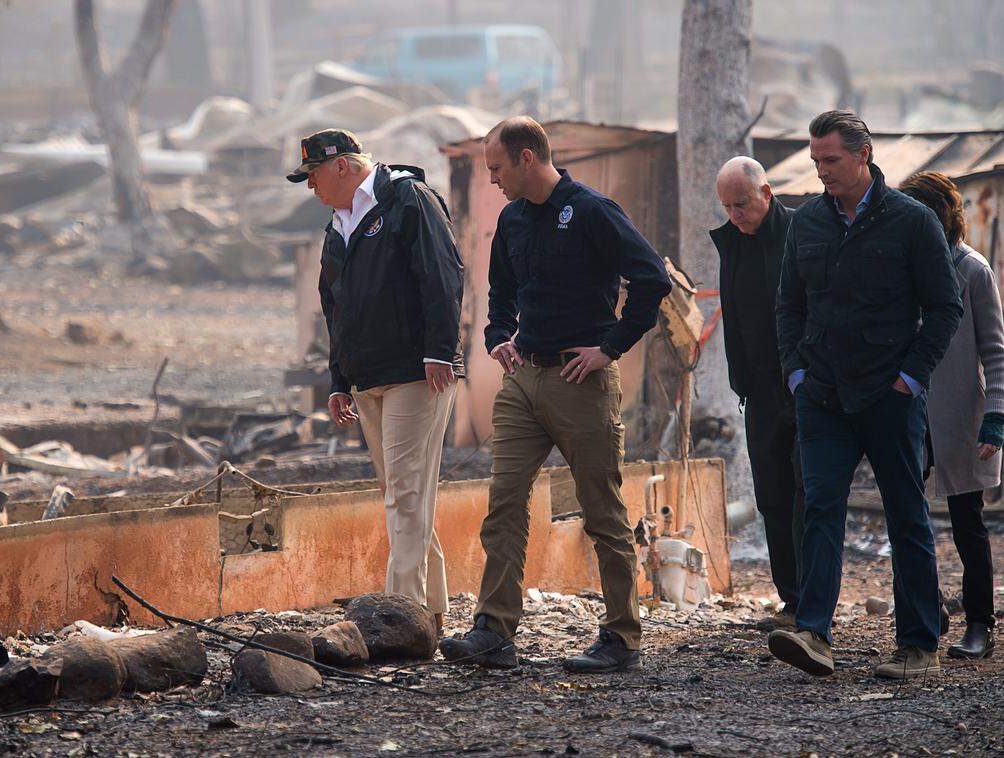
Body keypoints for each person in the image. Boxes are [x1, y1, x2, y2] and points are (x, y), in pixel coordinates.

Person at [438, 117, 672, 672]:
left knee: (602, 511)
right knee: (504, 505)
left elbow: (652, 281)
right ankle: (493, 631)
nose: (491, 179)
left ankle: (621, 636)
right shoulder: (513, 219)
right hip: (524, 382)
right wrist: (498, 336)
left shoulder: (592, 211)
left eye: (496, 168)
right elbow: (500, 291)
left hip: (580, 380)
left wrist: (609, 348)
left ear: (526, 158)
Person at [770, 110, 962, 680]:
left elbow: (945, 307)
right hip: (822, 394)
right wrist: (796, 374)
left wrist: (911, 378)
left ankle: (917, 645)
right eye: (816, 162)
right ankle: (813, 635)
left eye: (831, 161)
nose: (822, 171)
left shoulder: (912, 222)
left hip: (889, 396)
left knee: (906, 515)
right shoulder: (806, 223)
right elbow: (788, 307)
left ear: (863, 155)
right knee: (822, 509)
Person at [289, 129, 465, 629]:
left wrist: (439, 351)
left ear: (342, 166)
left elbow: (443, 275)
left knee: (405, 494)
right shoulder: (337, 225)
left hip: (417, 371)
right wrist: (339, 379)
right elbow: (334, 307)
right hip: (368, 376)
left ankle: (396, 616)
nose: (311, 187)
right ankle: (428, 611)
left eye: (314, 175)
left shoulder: (407, 199)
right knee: (403, 492)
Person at [901, 171, 1002, 660]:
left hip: (960, 411)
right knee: (905, 513)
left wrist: (997, 417)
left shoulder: (973, 270)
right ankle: (928, 608)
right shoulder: (906, 266)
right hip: (908, 407)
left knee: (967, 522)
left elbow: (995, 351)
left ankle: (980, 623)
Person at [711, 156, 804, 629]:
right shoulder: (732, 244)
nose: (735, 215)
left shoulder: (801, 234)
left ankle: (813, 603)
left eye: (742, 204)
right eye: (727, 206)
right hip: (760, 393)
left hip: (805, 388)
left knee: (808, 495)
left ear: (767, 194)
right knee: (772, 495)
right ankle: (792, 602)